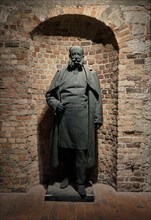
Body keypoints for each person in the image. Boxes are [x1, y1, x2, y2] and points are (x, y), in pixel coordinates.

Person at [45, 46, 103, 197]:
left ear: (83, 56)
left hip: (83, 118)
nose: (76, 57)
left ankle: (80, 182)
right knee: (65, 151)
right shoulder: (61, 73)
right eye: (74, 54)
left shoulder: (90, 74)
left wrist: (97, 117)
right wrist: (56, 104)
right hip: (64, 118)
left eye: (79, 54)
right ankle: (67, 177)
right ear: (69, 56)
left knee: (80, 151)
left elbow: (97, 98)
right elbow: (49, 95)